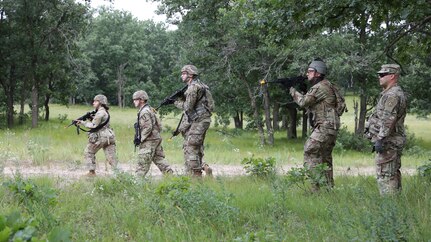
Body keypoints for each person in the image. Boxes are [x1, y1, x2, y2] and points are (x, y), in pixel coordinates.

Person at [289, 59, 341, 191]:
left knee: (310, 150)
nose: (307, 74)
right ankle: (329, 189)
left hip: (325, 126)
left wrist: (292, 90)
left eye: (310, 71)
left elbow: (303, 102)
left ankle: (315, 189)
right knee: (325, 158)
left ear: (318, 73)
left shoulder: (319, 87)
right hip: (331, 127)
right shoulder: (328, 85)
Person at [365, 64, 407, 195]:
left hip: (388, 142)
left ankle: (389, 206)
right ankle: (396, 206)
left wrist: (380, 139)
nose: (379, 77)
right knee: (392, 173)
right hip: (391, 140)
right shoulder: (390, 93)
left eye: (383, 75)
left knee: (386, 175)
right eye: (379, 74)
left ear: (392, 76)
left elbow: (389, 119)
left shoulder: (392, 95)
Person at [173, 65, 214, 177]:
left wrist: (175, 102)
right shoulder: (201, 85)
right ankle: (203, 166)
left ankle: (196, 175)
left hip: (199, 120)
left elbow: (188, 107)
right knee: (197, 146)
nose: (182, 75)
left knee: (190, 146)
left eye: (184, 73)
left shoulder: (192, 88)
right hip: (202, 120)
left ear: (190, 75)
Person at [132, 90, 173, 176]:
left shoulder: (144, 111)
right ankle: (170, 176)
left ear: (142, 100)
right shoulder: (149, 109)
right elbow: (159, 125)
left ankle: (137, 183)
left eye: (136, 99)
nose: (134, 101)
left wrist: (140, 139)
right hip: (155, 138)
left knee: (142, 164)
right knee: (159, 159)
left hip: (149, 140)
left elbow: (148, 127)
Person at [76, 94, 118, 176]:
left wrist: (82, 122)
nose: (93, 103)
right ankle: (119, 173)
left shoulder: (100, 113)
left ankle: (91, 172)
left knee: (88, 152)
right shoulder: (104, 112)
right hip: (109, 136)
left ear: (101, 102)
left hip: (100, 137)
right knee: (111, 157)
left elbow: (93, 125)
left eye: (96, 101)